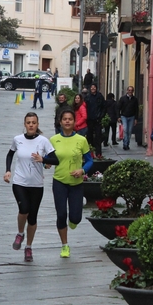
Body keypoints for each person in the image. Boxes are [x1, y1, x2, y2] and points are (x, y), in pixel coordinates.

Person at [4, 112, 57, 263]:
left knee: (32, 218)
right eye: (28, 122)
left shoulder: (43, 141)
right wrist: (8, 170)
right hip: (19, 182)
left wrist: (44, 159)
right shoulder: (17, 139)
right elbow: (10, 155)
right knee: (24, 209)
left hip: (36, 185)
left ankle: (28, 247)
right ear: (25, 124)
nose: (31, 125)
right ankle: (20, 233)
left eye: (34, 122)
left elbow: (56, 160)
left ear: (37, 124)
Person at [49, 108, 91, 258]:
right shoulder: (53, 140)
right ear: (60, 122)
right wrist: (46, 164)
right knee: (61, 214)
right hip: (59, 181)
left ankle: (73, 221)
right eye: (65, 119)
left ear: (74, 122)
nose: (67, 121)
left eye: (70, 119)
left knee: (75, 217)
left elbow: (90, 160)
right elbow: (48, 159)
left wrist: (82, 170)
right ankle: (64, 245)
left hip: (76, 184)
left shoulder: (81, 140)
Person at [84, 84, 105, 158]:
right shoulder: (87, 97)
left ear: (96, 88)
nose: (93, 88)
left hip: (97, 119)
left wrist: (101, 116)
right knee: (89, 137)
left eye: (94, 87)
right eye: (91, 87)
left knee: (98, 137)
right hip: (89, 120)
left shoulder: (100, 97)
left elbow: (103, 107)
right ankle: (90, 153)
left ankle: (99, 153)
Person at [117, 86, 139, 150]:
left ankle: (127, 143)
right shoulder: (122, 99)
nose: (130, 92)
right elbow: (118, 108)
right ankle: (125, 144)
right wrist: (118, 116)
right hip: (124, 116)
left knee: (129, 131)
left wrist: (136, 119)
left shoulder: (135, 99)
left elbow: (136, 109)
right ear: (127, 91)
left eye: (131, 90)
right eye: (129, 90)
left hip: (132, 117)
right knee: (125, 130)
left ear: (133, 91)